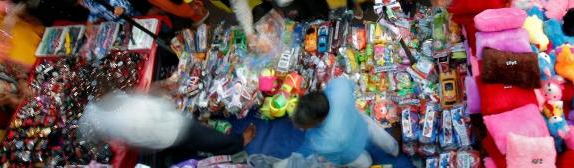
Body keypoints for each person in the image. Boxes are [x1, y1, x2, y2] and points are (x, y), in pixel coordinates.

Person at [80, 92, 256, 162]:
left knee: (193, 140)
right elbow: (151, 113)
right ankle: (238, 143)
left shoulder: (110, 122)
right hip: (172, 129)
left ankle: (199, 152)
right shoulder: (121, 119)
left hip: (164, 134)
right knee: (206, 138)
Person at [293, 77, 399, 167]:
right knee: (377, 132)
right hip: (360, 122)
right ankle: (393, 148)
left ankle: (368, 163)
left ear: (318, 120)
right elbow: (349, 84)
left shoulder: (320, 140)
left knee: (362, 161)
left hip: (352, 151)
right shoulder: (338, 88)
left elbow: (337, 159)